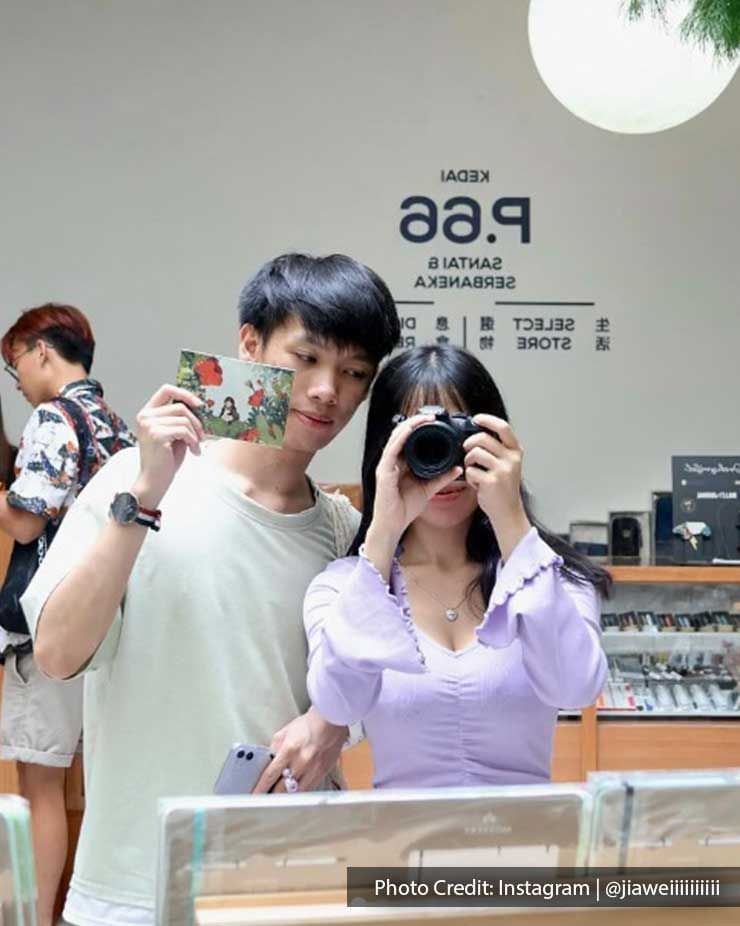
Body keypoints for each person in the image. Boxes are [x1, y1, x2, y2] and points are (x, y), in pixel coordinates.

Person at [23, 253, 401, 925]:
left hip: (293, 887)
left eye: (353, 374)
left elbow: (379, 686)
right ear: (249, 344)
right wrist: (143, 496)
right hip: (134, 888)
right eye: (306, 358)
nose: (327, 392)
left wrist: (332, 723)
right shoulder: (131, 481)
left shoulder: (345, 531)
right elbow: (55, 653)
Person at [304, 345, 610, 788]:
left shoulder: (548, 577)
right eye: (420, 439)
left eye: (458, 436)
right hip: (400, 853)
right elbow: (338, 704)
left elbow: (575, 688)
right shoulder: (343, 588)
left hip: (526, 850)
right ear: (385, 450)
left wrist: (511, 519)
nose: (443, 461)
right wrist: (383, 536)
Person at [0, 303, 135, 926]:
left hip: (52, 622)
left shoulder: (54, 418)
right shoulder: (113, 423)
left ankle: (34, 918)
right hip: (110, 624)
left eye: (15, 365)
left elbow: (28, 518)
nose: (19, 381)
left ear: (41, 350)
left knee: (41, 784)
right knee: (100, 779)